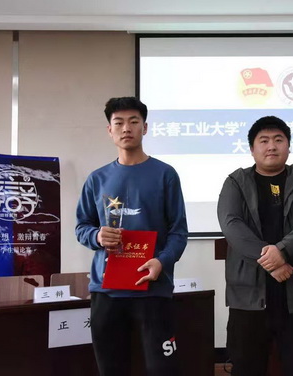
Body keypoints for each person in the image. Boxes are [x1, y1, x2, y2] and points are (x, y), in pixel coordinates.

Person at [75, 97, 188, 376]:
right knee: (111, 369)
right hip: (106, 291)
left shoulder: (165, 175)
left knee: (163, 369)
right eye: (119, 123)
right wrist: (97, 236)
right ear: (109, 130)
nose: (126, 128)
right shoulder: (97, 179)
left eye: (134, 122)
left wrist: (161, 262)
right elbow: (81, 227)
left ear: (144, 128)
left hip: (153, 288)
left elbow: (178, 232)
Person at [217, 116, 293, 376]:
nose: (271, 146)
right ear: (252, 148)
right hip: (248, 295)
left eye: (278, 140)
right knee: (246, 366)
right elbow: (231, 224)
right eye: (264, 140)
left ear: (288, 146)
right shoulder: (235, 182)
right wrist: (272, 261)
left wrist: (283, 251)